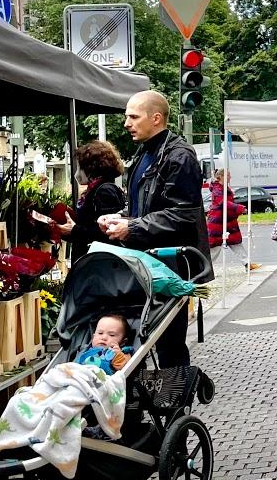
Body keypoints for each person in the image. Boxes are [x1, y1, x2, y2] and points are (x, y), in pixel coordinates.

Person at [98, 91, 211, 367]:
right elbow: (144, 205)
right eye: (127, 116)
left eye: (134, 116)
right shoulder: (145, 152)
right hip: (147, 259)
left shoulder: (179, 156)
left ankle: (176, 401)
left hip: (170, 263)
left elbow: (184, 214)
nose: (126, 123)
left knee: (169, 340)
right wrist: (121, 217)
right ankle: (150, 398)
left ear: (156, 118)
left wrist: (132, 226)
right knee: (142, 336)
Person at [31, 140, 125, 264]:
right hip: (92, 259)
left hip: (99, 262)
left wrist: (74, 229)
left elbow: (108, 231)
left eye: (81, 166)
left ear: (91, 168)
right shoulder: (96, 189)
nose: (77, 171)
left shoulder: (104, 190)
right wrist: (65, 229)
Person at [206, 170, 245, 266]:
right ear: (221, 176)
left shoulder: (223, 187)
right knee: (215, 247)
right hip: (218, 222)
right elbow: (223, 202)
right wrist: (239, 208)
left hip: (227, 221)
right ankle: (206, 268)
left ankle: (247, 263)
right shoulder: (217, 189)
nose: (230, 177)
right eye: (228, 175)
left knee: (236, 243)